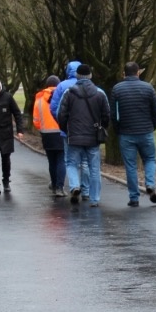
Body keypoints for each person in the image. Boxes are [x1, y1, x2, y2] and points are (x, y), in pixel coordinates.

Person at [56, 64, 110, 207]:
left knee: (71, 163)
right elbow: (106, 115)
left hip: (73, 135)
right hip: (93, 136)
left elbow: (61, 114)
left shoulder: (69, 93)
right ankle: (95, 198)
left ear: (77, 76)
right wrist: (101, 127)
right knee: (94, 167)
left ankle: (75, 186)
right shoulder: (100, 93)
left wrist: (66, 129)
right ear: (91, 75)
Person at [111, 62, 156, 207]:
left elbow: (114, 114)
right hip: (146, 131)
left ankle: (134, 197)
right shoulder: (148, 88)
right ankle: (150, 184)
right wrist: (153, 125)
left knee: (130, 166)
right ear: (138, 73)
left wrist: (117, 129)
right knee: (150, 159)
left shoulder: (117, 89)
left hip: (126, 133)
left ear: (124, 74)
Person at [50, 61, 90, 200]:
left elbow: (54, 108)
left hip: (68, 130)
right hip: (87, 130)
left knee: (70, 161)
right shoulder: (90, 86)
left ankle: (75, 186)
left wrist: (62, 124)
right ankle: (86, 190)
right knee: (85, 161)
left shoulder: (62, 86)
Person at [34, 75, 66, 196]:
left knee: (52, 162)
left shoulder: (39, 99)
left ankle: (53, 184)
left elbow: (36, 120)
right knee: (61, 160)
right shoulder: (63, 96)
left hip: (46, 134)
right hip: (61, 132)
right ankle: (59, 187)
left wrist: (42, 129)